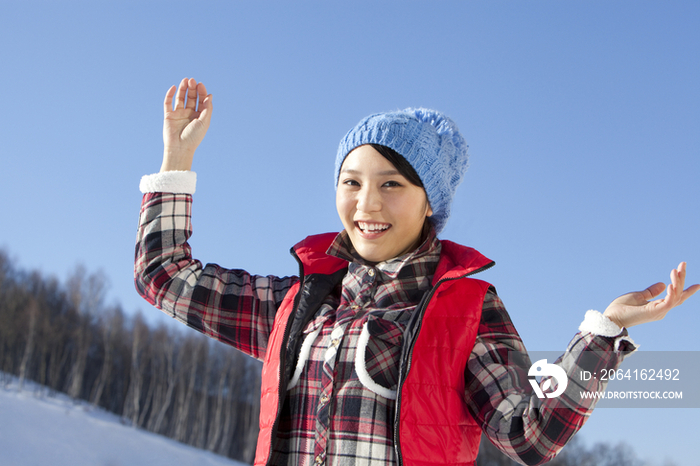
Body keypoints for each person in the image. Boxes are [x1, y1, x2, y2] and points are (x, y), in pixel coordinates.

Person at [135, 77, 699, 466]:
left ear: (429, 201)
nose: (366, 204)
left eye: (391, 184)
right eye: (351, 182)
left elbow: (529, 434)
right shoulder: (299, 303)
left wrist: (603, 333)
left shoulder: (464, 311)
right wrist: (176, 164)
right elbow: (163, 275)